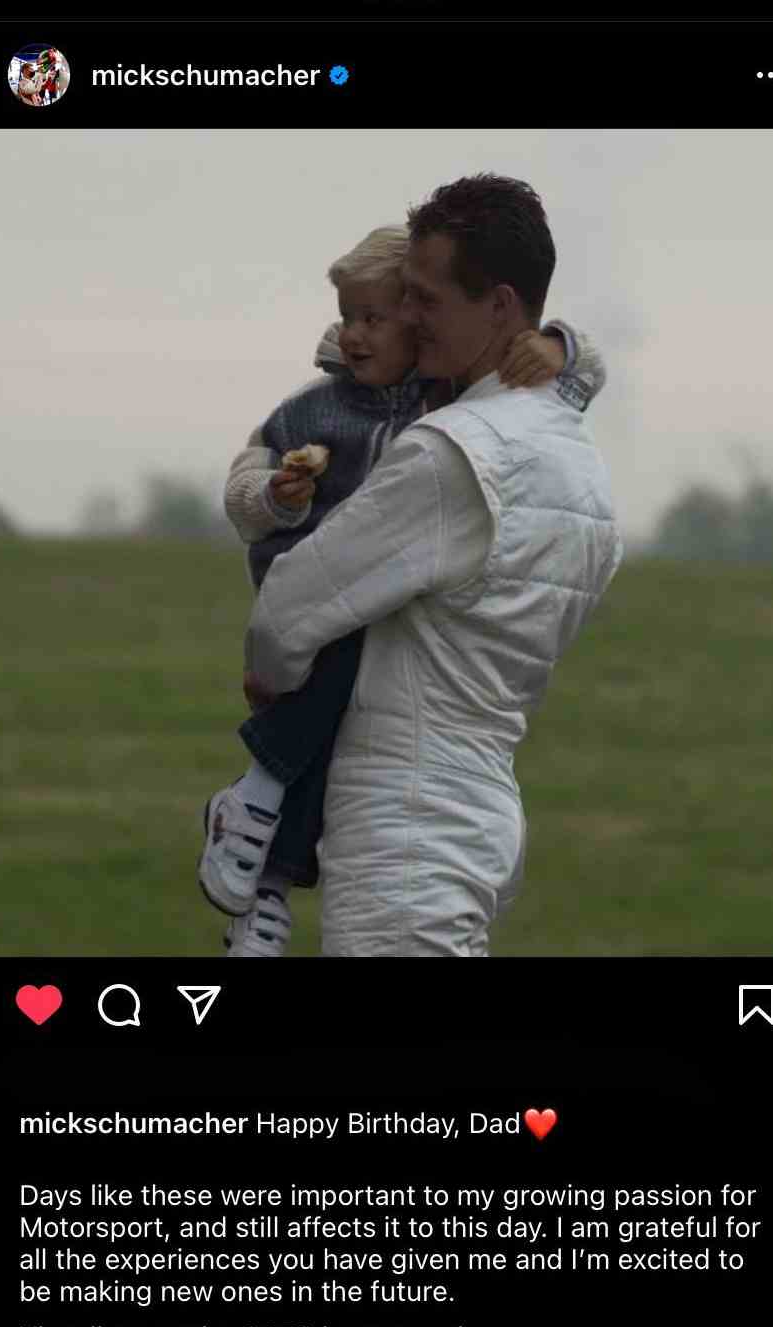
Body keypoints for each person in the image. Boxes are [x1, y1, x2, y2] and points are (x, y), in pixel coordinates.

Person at [200, 213, 609, 956]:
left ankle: (259, 842)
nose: (409, 321)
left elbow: (288, 616)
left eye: (424, 299)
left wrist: (273, 683)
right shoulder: (579, 467)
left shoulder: (453, 448)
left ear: (499, 305)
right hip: (482, 807)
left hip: (404, 828)